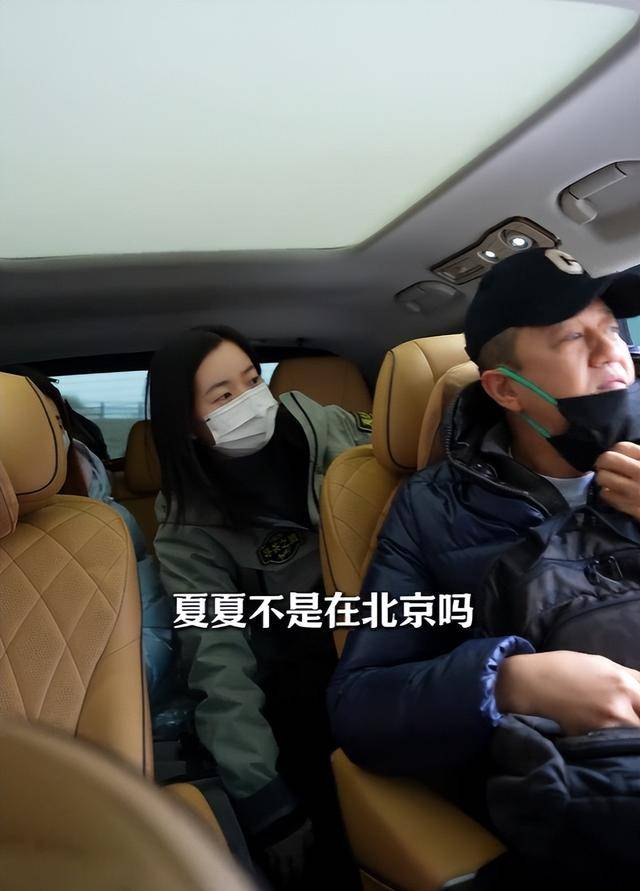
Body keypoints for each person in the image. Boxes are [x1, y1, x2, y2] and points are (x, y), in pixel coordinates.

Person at [327, 248, 640, 882]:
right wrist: (511, 680)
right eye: (573, 337)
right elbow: (361, 704)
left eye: (612, 328)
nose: (611, 353)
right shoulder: (431, 510)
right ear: (505, 389)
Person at [148, 325, 372, 888]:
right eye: (223, 396)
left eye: (252, 381)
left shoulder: (338, 431)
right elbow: (216, 653)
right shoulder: (188, 521)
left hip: (396, 633)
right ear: (187, 424)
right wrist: (262, 795)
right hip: (302, 672)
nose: (249, 402)